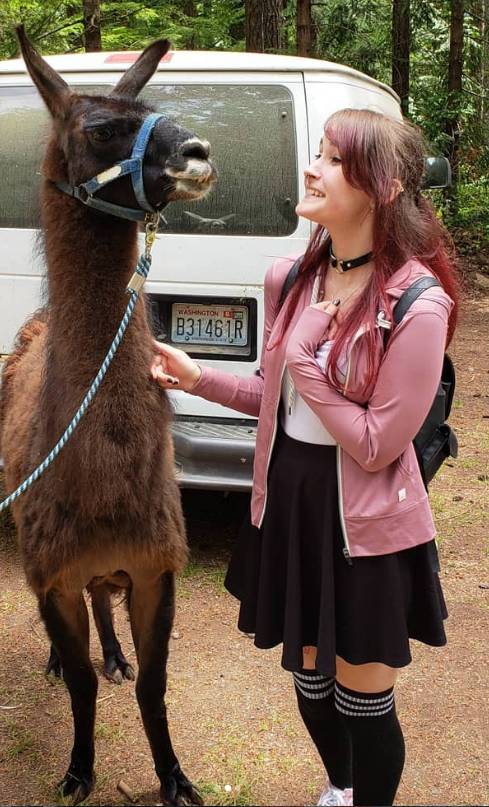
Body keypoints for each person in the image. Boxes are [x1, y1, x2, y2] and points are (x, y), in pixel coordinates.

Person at [151, 108, 461, 807]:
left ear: (380, 187)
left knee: (364, 701)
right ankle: (340, 785)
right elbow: (276, 398)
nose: (309, 167)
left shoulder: (415, 302)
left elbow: (379, 442)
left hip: (365, 524)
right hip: (290, 501)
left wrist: (306, 360)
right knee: (311, 683)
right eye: (315, 153)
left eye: (329, 158)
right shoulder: (291, 277)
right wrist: (197, 377)